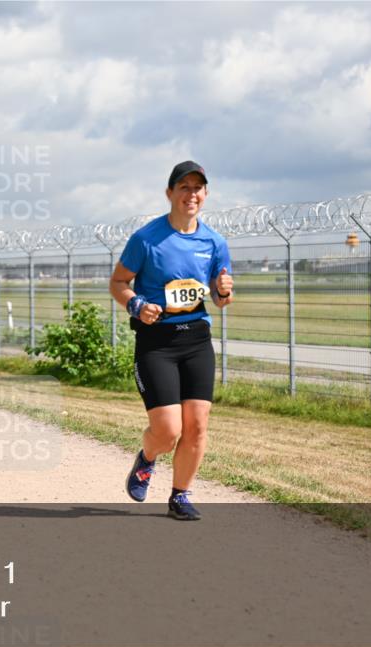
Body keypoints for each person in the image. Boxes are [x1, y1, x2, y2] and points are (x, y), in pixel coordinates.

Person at [109, 161, 234, 521]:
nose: (191, 194)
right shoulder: (146, 239)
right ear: (170, 193)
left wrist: (224, 292)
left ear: (205, 195)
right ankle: (148, 458)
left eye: (198, 188)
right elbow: (118, 283)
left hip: (196, 339)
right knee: (167, 432)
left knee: (197, 426)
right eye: (184, 187)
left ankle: (180, 495)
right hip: (156, 341)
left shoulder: (214, 242)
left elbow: (220, 297)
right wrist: (136, 304)